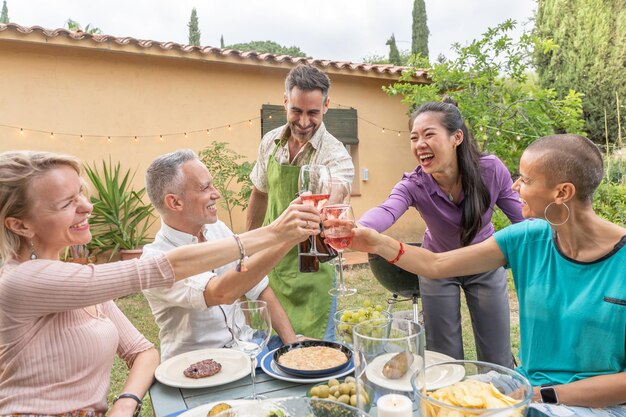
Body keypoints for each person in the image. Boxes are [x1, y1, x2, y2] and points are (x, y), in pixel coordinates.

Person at [0, 150, 319, 415]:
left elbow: (142, 352)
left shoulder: (82, 284)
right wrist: (277, 233)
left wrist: (125, 404)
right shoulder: (22, 281)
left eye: (81, 193)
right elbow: (160, 268)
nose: (88, 207)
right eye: (67, 202)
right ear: (19, 224)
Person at [347, 134, 626, 415]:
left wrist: (547, 395)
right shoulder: (526, 238)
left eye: (526, 180)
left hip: (598, 404)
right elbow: (436, 264)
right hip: (527, 386)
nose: (516, 186)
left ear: (562, 193)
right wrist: (375, 242)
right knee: (433, 403)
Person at [359, 99, 523, 367]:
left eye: (428, 134)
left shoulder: (491, 170)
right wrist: (360, 229)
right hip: (436, 267)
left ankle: (501, 401)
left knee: (497, 355)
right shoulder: (414, 184)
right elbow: (387, 210)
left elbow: (522, 219)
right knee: (443, 355)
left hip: (483, 262)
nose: (419, 144)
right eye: (414, 137)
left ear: (456, 137)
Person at [142, 149, 304, 361]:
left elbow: (259, 287)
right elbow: (221, 292)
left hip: (247, 350)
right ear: (175, 203)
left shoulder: (217, 229)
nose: (216, 193)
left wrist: (292, 346)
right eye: (205, 187)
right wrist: (287, 237)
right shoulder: (156, 261)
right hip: (196, 369)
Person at [246, 64, 355, 339]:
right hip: (269, 265)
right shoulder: (270, 142)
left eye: (313, 113)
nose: (304, 121)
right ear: (285, 102)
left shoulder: (335, 154)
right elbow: (259, 192)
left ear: (326, 106)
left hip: (312, 271)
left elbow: (337, 189)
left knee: (314, 359)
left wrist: (327, 198)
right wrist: (247, 245)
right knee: (265, 350)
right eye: (297, 111)